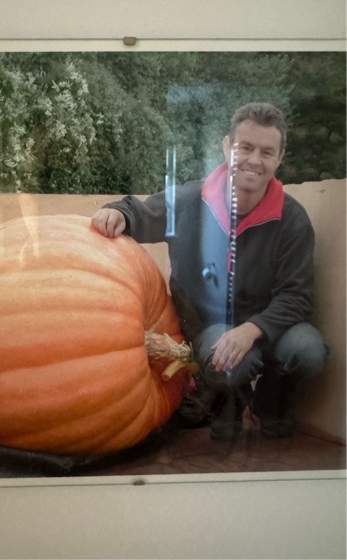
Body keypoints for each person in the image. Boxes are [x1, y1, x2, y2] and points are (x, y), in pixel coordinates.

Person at [91, 102, 328, 442]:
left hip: (268, 326)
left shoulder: (293, 220)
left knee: (308, 350)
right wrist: (118, 214)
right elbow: (141, 213)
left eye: (266, 152)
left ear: (280, 158)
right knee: (227, 357)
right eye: (245, 147)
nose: (254, 160)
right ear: (227, 147)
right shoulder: (190, 200)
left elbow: (298, 296)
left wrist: (252, 330)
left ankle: (270, 403)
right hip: (208, 326)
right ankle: (228, 402)